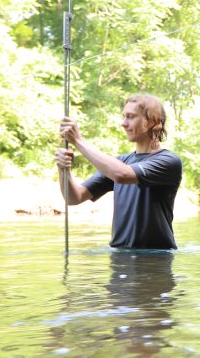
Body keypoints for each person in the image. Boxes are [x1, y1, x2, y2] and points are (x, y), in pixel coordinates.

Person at [55, 94, 183, 250]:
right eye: (124, 117)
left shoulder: (168, 161)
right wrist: (64, 170)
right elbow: (74, 197)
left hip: (156, 262)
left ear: (153, 121)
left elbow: (122, 175)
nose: (124, 123)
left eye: (131, 117)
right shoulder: (120, 162)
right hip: (120, 260)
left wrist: (78, 141)